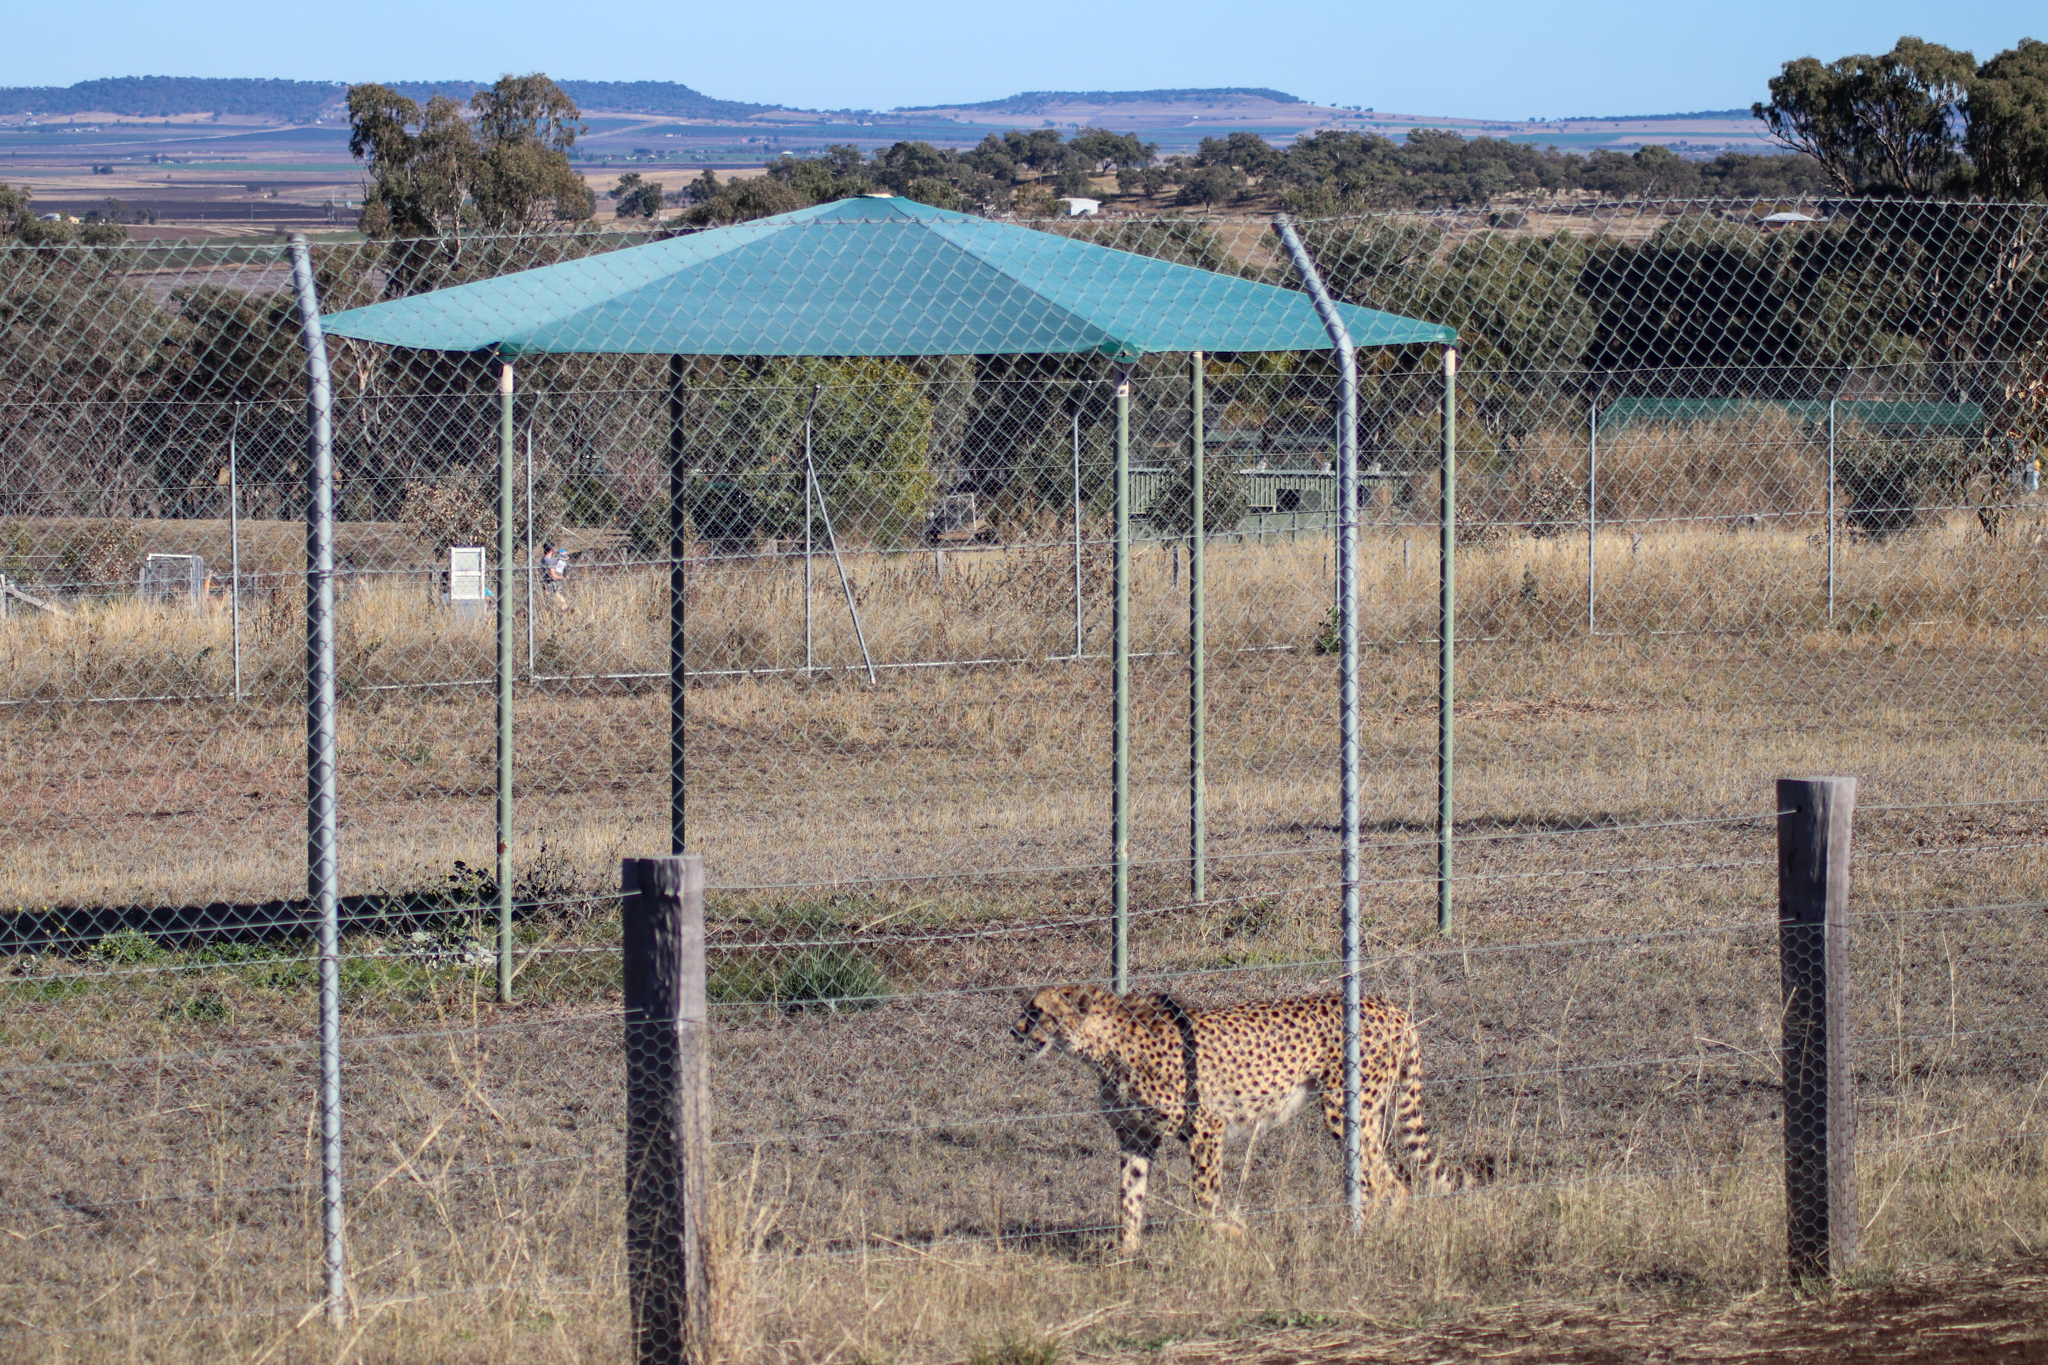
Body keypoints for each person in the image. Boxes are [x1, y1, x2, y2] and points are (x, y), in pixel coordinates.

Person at [541, 541, 570, 613]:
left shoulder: (543, 559)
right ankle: (563, 619)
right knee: (563, 605)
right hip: (551, 586)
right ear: (552, 550)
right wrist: (562, 577)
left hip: (547, 585)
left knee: (556, 605)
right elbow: (553, 575)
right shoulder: (549, 561)